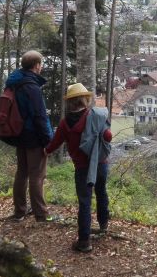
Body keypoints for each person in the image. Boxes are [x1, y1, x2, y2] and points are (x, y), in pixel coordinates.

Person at [45, 83, 112, 252]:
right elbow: (108, 136)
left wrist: (45, 151)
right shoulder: (95, 116)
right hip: (100, 163)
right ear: (85, 99)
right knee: (102, 192)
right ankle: (103, 225)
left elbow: (55, 143)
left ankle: (84, 241)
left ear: (70, 102)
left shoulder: (65, 123)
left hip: (82, 168)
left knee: (84, 202)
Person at [0, 50, 55, 222]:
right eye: (41, 64)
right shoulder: (32, 87)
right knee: (37, 175)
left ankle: (19, 211)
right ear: (37, 65)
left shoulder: (14, 83)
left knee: (21, 173)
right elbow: (39, 116)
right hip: (33, 136)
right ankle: (41, 213)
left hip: (18, 134)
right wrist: (48, 140)